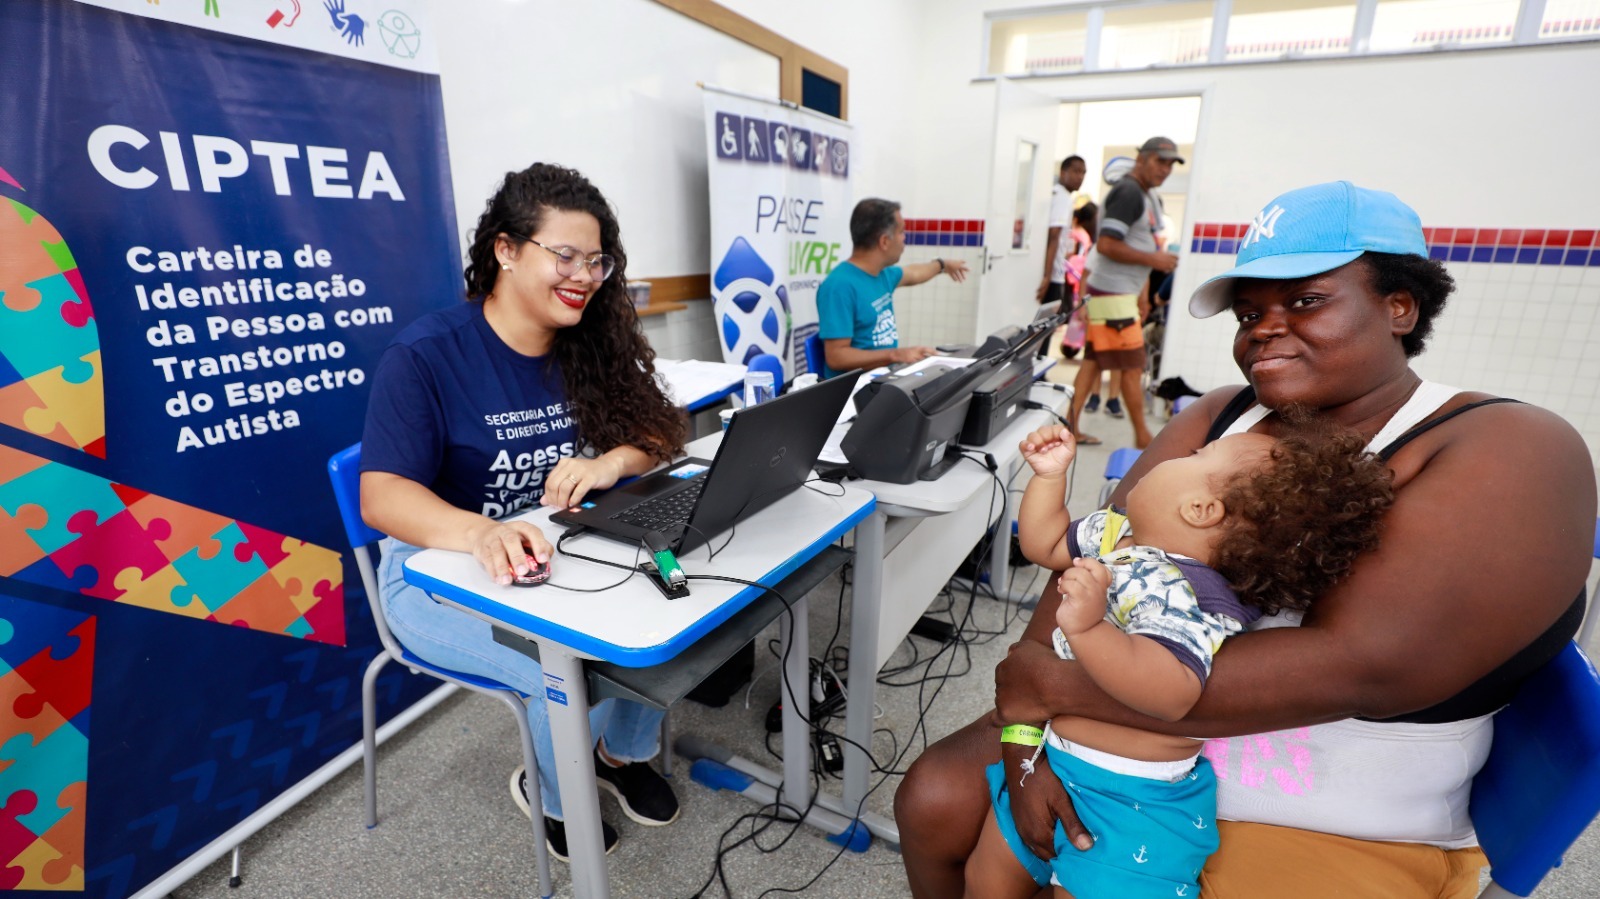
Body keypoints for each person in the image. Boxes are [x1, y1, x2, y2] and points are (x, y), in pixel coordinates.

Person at [895, 181, 1596, 899]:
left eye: (1304, 300)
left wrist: (1048, 685)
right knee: (934, 796)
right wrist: (1024, 740)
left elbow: (1362, 666)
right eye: (1250, 311)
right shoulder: (1221, 416)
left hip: (1329, 809)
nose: (1264, 327)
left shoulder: (1508, 444)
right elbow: (1100, 553)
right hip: (1112, 738)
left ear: (1399, 306)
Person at [359, 163, 687, 861]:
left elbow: (659, 434)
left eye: (596, 260)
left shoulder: (588, 341)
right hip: (430, 571)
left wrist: (608, 463)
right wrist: (481, 530)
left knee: (665, 601)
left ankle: (619, 757)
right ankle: (559, 794)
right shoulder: (425, 355)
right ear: (506, 250)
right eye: (563, 255)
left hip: (554, 547)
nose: (584, 275)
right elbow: (382, 497)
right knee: (557, 663)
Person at [967, 423, 1394, 898]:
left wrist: (1090, 630)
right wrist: (1049, 478)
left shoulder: (1192, 595)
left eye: (1196, 455)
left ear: (1200, 509)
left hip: (1133, 803)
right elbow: (1042, 544)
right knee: (985, 880)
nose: (1181, 454)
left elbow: (1170, 693)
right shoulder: (1117, 533)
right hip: (1057, 760)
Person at [1069, 137, 1185, 449]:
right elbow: (1106, 245)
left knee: (1092, 363)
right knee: (1133, 367)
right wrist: (1154, 260)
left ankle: (1070, 429)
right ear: (1142, 159)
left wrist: (1143, 293)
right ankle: (1143, 438)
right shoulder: (1129, 192)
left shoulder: (1143, 195)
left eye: (1171, 164)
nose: (1166, 169)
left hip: (1117, 293)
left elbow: (1136, 244)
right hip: (1112, 297)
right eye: (1160, 161)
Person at [816, 197, 970, 376]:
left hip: (883, 378)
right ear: (884, 242)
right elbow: (836, 357)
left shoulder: (882, 274)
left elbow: (914, 273)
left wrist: (942, 265)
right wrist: (896, 355)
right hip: (854, 392)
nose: (905, 238)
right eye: (901, 232)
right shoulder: (839, 287)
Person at [1037, 155, 1088, 306]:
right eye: (1076, 171)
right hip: (1053, 276)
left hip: (1053, 273)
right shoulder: (1062, 197)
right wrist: (1047, 276)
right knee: (1046, 326)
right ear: (1063, 172)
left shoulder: (1056, 193)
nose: (1080, 177)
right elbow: (1054, 235)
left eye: (1083, 173)